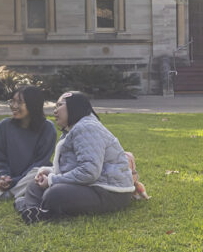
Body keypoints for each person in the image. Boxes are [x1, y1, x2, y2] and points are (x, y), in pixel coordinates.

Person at [16, 91, 137, 222]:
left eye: (59, 105)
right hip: (91, 185)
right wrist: (49, 172)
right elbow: (73, 167)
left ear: (75, 106)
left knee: (54, 193)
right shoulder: (73, 129)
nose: (55, 111)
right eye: (55, 106)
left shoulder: (87, 128)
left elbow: (89, 172)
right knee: (34, 185)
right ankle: (33, 210)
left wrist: (52, 180)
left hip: (109, 192)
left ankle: (31, 206)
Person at [0, 85, 57, 202]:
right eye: (12, 101)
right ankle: (14, 194)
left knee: (38, 173)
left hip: (30, 178)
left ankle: (2, 196)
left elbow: (41, 162)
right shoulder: (4, 126)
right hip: (10, 180)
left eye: (19, 102)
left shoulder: (47, 128)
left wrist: (14, 181)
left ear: (33, 105)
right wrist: (4, 176)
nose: (14, 106)